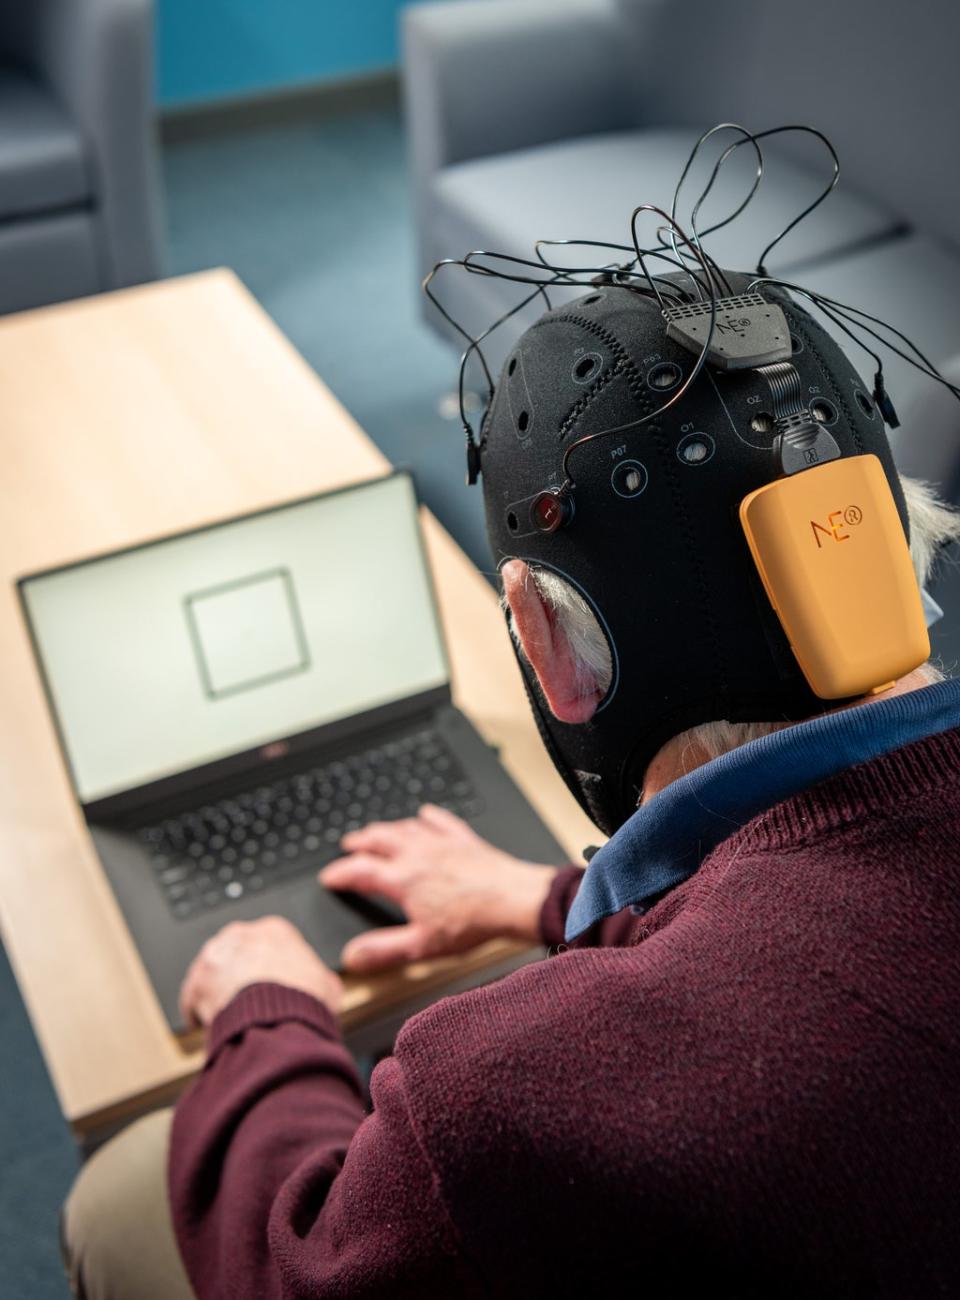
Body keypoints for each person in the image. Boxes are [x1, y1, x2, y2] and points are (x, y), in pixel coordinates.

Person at [63, 274, 960, 1299]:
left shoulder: (506, 1093)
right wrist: (544, 901)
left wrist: (270, 1014)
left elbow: (292, 1266)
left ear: (537, 632)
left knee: (123, 1187)